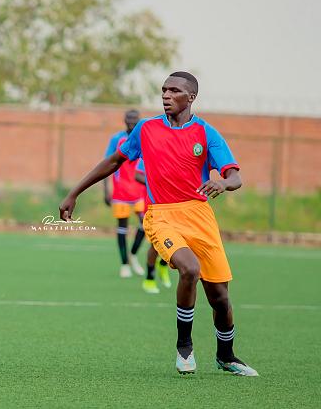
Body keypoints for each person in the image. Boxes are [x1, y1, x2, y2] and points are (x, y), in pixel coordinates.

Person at [59, 71, 258, 376]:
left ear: (191, 97)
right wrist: (74, 193)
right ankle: (184, 347)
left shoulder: (206, 133)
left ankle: (226, 355)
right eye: (164, 90)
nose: (166, 95)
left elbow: (235, 176)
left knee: (220, 298)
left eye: (174, 90)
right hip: (161, 215)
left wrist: (223, 183)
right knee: (189, 269)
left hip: (200, 217)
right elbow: (114, 161)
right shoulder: (146, 129)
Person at [103, 110, 147, 277]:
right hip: (121, 191)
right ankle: (124, 264)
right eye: (129, 118)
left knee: (146, 224)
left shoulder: (143, 139)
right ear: (124, 120)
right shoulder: (117, 139)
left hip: (140, 190)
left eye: (134, 119)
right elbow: (107, 163)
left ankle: (133, 254)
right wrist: (106, 189)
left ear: (139, 121)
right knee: (122, 227)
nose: (131, 121)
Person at [134, 159, 171, 294]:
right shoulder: (149, 153)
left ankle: (163, 264)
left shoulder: (179, 152)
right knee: (155, 244)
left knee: (179, 240)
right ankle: (149, 278)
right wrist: (156, 183)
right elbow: (137, 175)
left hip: (176, 205)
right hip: (154, 205)